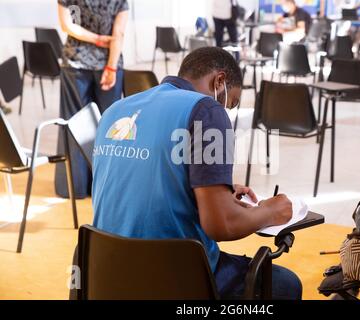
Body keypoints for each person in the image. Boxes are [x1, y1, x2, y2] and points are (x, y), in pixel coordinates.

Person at [91, 47, 302, 299]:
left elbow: (139, 181)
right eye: (231, 103)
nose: (227, 110)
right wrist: (271, 211)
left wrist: (214, 188)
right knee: (285, 285)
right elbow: (221, 224)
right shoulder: (207, 110)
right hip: (171, 278)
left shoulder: (116, 109)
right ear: (219, 81)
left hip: (105, 271)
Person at [55, 0, 128, 199]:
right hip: (109, 62)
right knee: (110, 127)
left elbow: (67, 25)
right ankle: (106, 187)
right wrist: (111, 67)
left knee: (74, 123)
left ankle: (74, 187)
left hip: (75, 61)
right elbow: (118, 33)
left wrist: (95, 39)